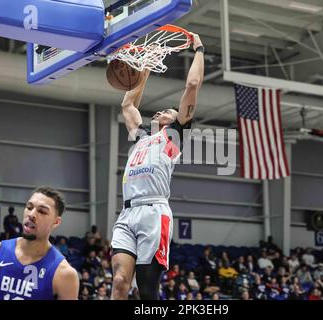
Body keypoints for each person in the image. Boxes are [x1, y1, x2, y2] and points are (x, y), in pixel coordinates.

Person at [110, 33, 204, 300]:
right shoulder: (141, 137)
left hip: (154, 213)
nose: (163, 110)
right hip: (127, 213)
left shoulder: (174, 137)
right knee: (119, 282)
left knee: (147, 291)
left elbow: (193, 85)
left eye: (170, 111)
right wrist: (146, 66)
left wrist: (199, 50)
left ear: (178, 120)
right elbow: (127, 103)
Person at [0, 186, 79, 300]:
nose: (32, 214)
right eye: (29, 207)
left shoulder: (65, 274)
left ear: (56, 222)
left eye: (42, 211)